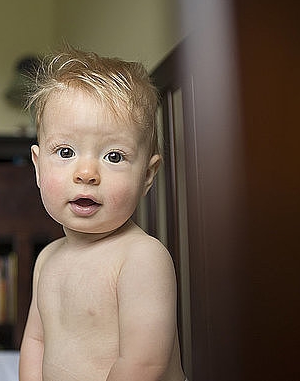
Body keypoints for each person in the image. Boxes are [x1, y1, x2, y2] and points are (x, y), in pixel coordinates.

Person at [19, 45, 186, 381]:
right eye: (65, 152)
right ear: (38, 168)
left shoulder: (141, 258)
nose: (86, 173)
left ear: (147, 177)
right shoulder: (47, 259)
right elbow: (35, 344)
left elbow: (144, 364)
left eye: (113, 157)